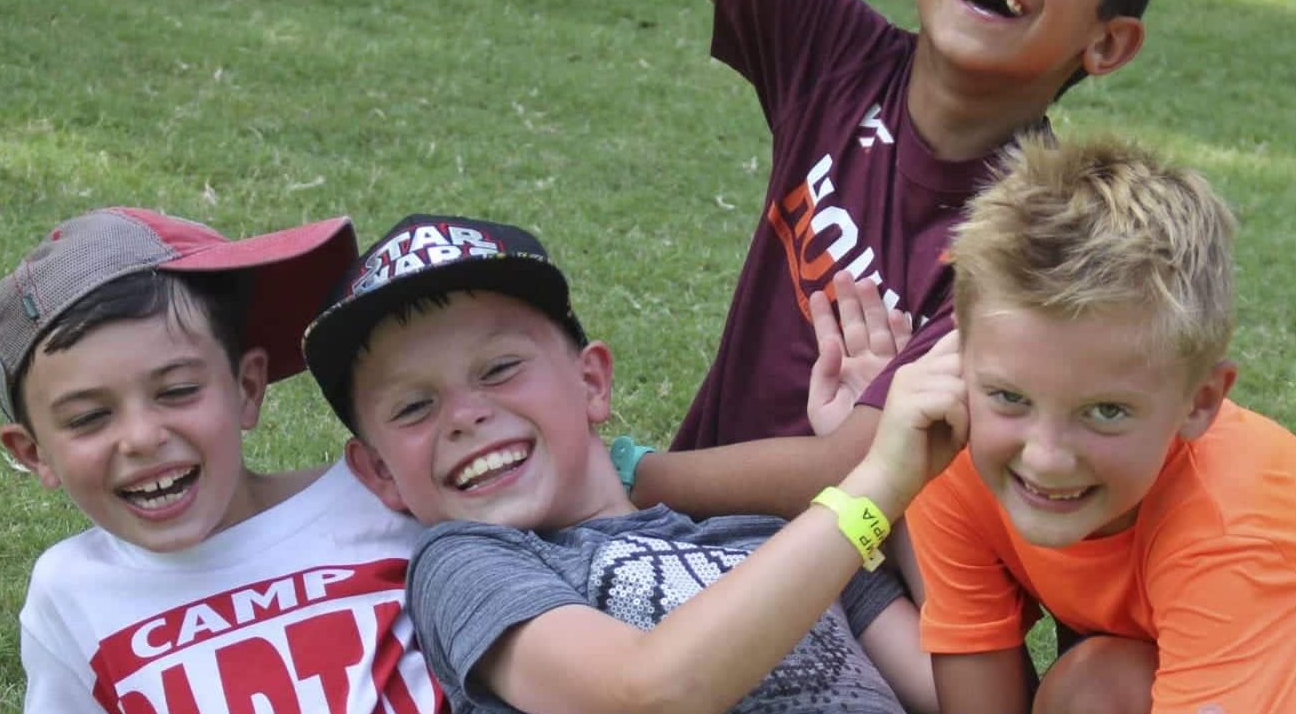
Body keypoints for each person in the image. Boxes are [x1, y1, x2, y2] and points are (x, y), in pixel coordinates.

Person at [610, 0, 1196, 517]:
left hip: (844, 593)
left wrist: (626, 476)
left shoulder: (1040, 243)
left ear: (1108, 44)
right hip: (677, 539)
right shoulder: (833, 56)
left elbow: (851, 463)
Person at [300, 214, 963, 714]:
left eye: (500, 368)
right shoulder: (465, 565)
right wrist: (872, 482)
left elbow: (964, 690)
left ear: (592, 381)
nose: (463, 415)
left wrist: (915, 479)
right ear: (380, 473)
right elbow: (642, 694)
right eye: (414, 406)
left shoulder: (776, 535)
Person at [905, 135, 1296, 713]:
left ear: (1201, 401)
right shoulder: (955, 454)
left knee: (1095, 691)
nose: (1045, 457)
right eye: (1009, 396)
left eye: (1105, 411)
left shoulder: (1235, 534)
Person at [0, 208, 443, 714]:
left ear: (247, 388)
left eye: (178, 390)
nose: (141, 438)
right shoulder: (70, 591)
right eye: (89, 417)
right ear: (35, 454)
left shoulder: (384, 498)